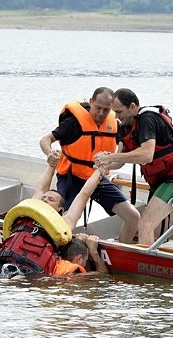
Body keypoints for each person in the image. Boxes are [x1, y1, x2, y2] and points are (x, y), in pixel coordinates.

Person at [94, 88, 173, 247]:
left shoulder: (147, 119)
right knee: (158, 230)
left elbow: (147, 154)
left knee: (145, 225)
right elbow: (120, 160)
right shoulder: (124, 127)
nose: (116, 116)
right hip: (161, 178)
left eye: (119, 111)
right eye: (114, 112)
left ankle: (145, 267)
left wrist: (110, 157)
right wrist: (104, 163)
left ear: (133, 107)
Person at [39, 87, 140, 243]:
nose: (101, 113)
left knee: (133, 216)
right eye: (98, 108)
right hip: (71, 177)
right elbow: (45, 140)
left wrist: (108, 163)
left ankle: (120, 252)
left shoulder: (116, 124)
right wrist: (49, 154)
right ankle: (56, 247)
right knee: (63, 219)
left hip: (97, 178)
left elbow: (119, 162)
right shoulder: (73, 123)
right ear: (91, 102)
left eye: (106, 110)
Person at [0, 158, 109, 279]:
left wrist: (99, 171)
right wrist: (52, 165)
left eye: (51, 199)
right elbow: (40, 189)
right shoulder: (31, 211)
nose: (45, 200)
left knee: (14, 279)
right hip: (4, 259)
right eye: (44, 198)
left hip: (30, 269)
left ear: (60, 210)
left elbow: (84, 194)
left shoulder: (65, 222)